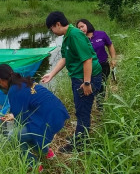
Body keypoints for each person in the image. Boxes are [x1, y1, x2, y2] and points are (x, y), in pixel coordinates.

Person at [41, 11, 102, 153]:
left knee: (82, 112)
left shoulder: (75, 35)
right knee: (81, 110)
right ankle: (80, 135)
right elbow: (66, 58)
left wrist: (87, 83)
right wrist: (51, 74)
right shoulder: (68, 36)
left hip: (85, 79)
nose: (52, 32)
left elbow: (87, 59)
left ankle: (79, 145)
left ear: (57, 24)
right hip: (79, 77)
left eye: (52, 29)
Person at [0, 63, 69, 170]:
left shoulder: (13, 91)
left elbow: (21, 119)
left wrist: (13, 118)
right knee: (29, 130)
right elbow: (30, 104)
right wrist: (13, 115)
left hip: (49, 120)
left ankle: (34, 165)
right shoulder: (25, 81)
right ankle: (47, 153)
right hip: (59, 114)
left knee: (14, 136)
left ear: (1, 80)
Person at [76, 19, 116, 110]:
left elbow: (110, 45)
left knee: (101, 86)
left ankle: (100, 107)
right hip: (88, 68)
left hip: (103, 65)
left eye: (82, 26)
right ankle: (87, 106)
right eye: (78, 28)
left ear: (88, 25)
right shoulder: (80, 39)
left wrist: (113, 58)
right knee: (88, 85)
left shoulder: (101, 34)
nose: (81, 29)